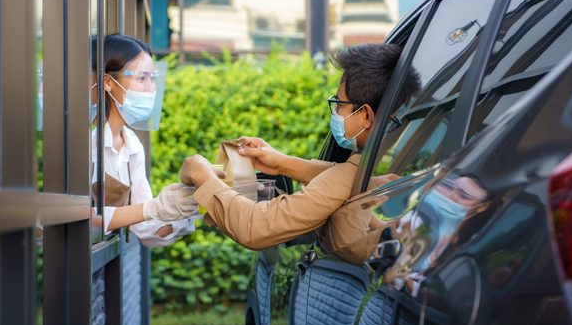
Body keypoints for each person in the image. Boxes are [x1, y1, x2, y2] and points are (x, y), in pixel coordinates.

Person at [180, 43, 422, 257]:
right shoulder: (396, 162)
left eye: (340, 105)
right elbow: (351, 180)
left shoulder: (357, 170)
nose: (336, 113)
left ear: (366, 115)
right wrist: (279, 163)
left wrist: (202, 175)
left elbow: (257, 227)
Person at [90, 34, 200, 245]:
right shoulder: (86, 141)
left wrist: (193, 210)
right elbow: (77, 217)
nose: (152, 89)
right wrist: (153, 208)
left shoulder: (132, 146)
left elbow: (145, 229)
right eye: (142, 78)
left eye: (153, 78)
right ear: (108, 82)